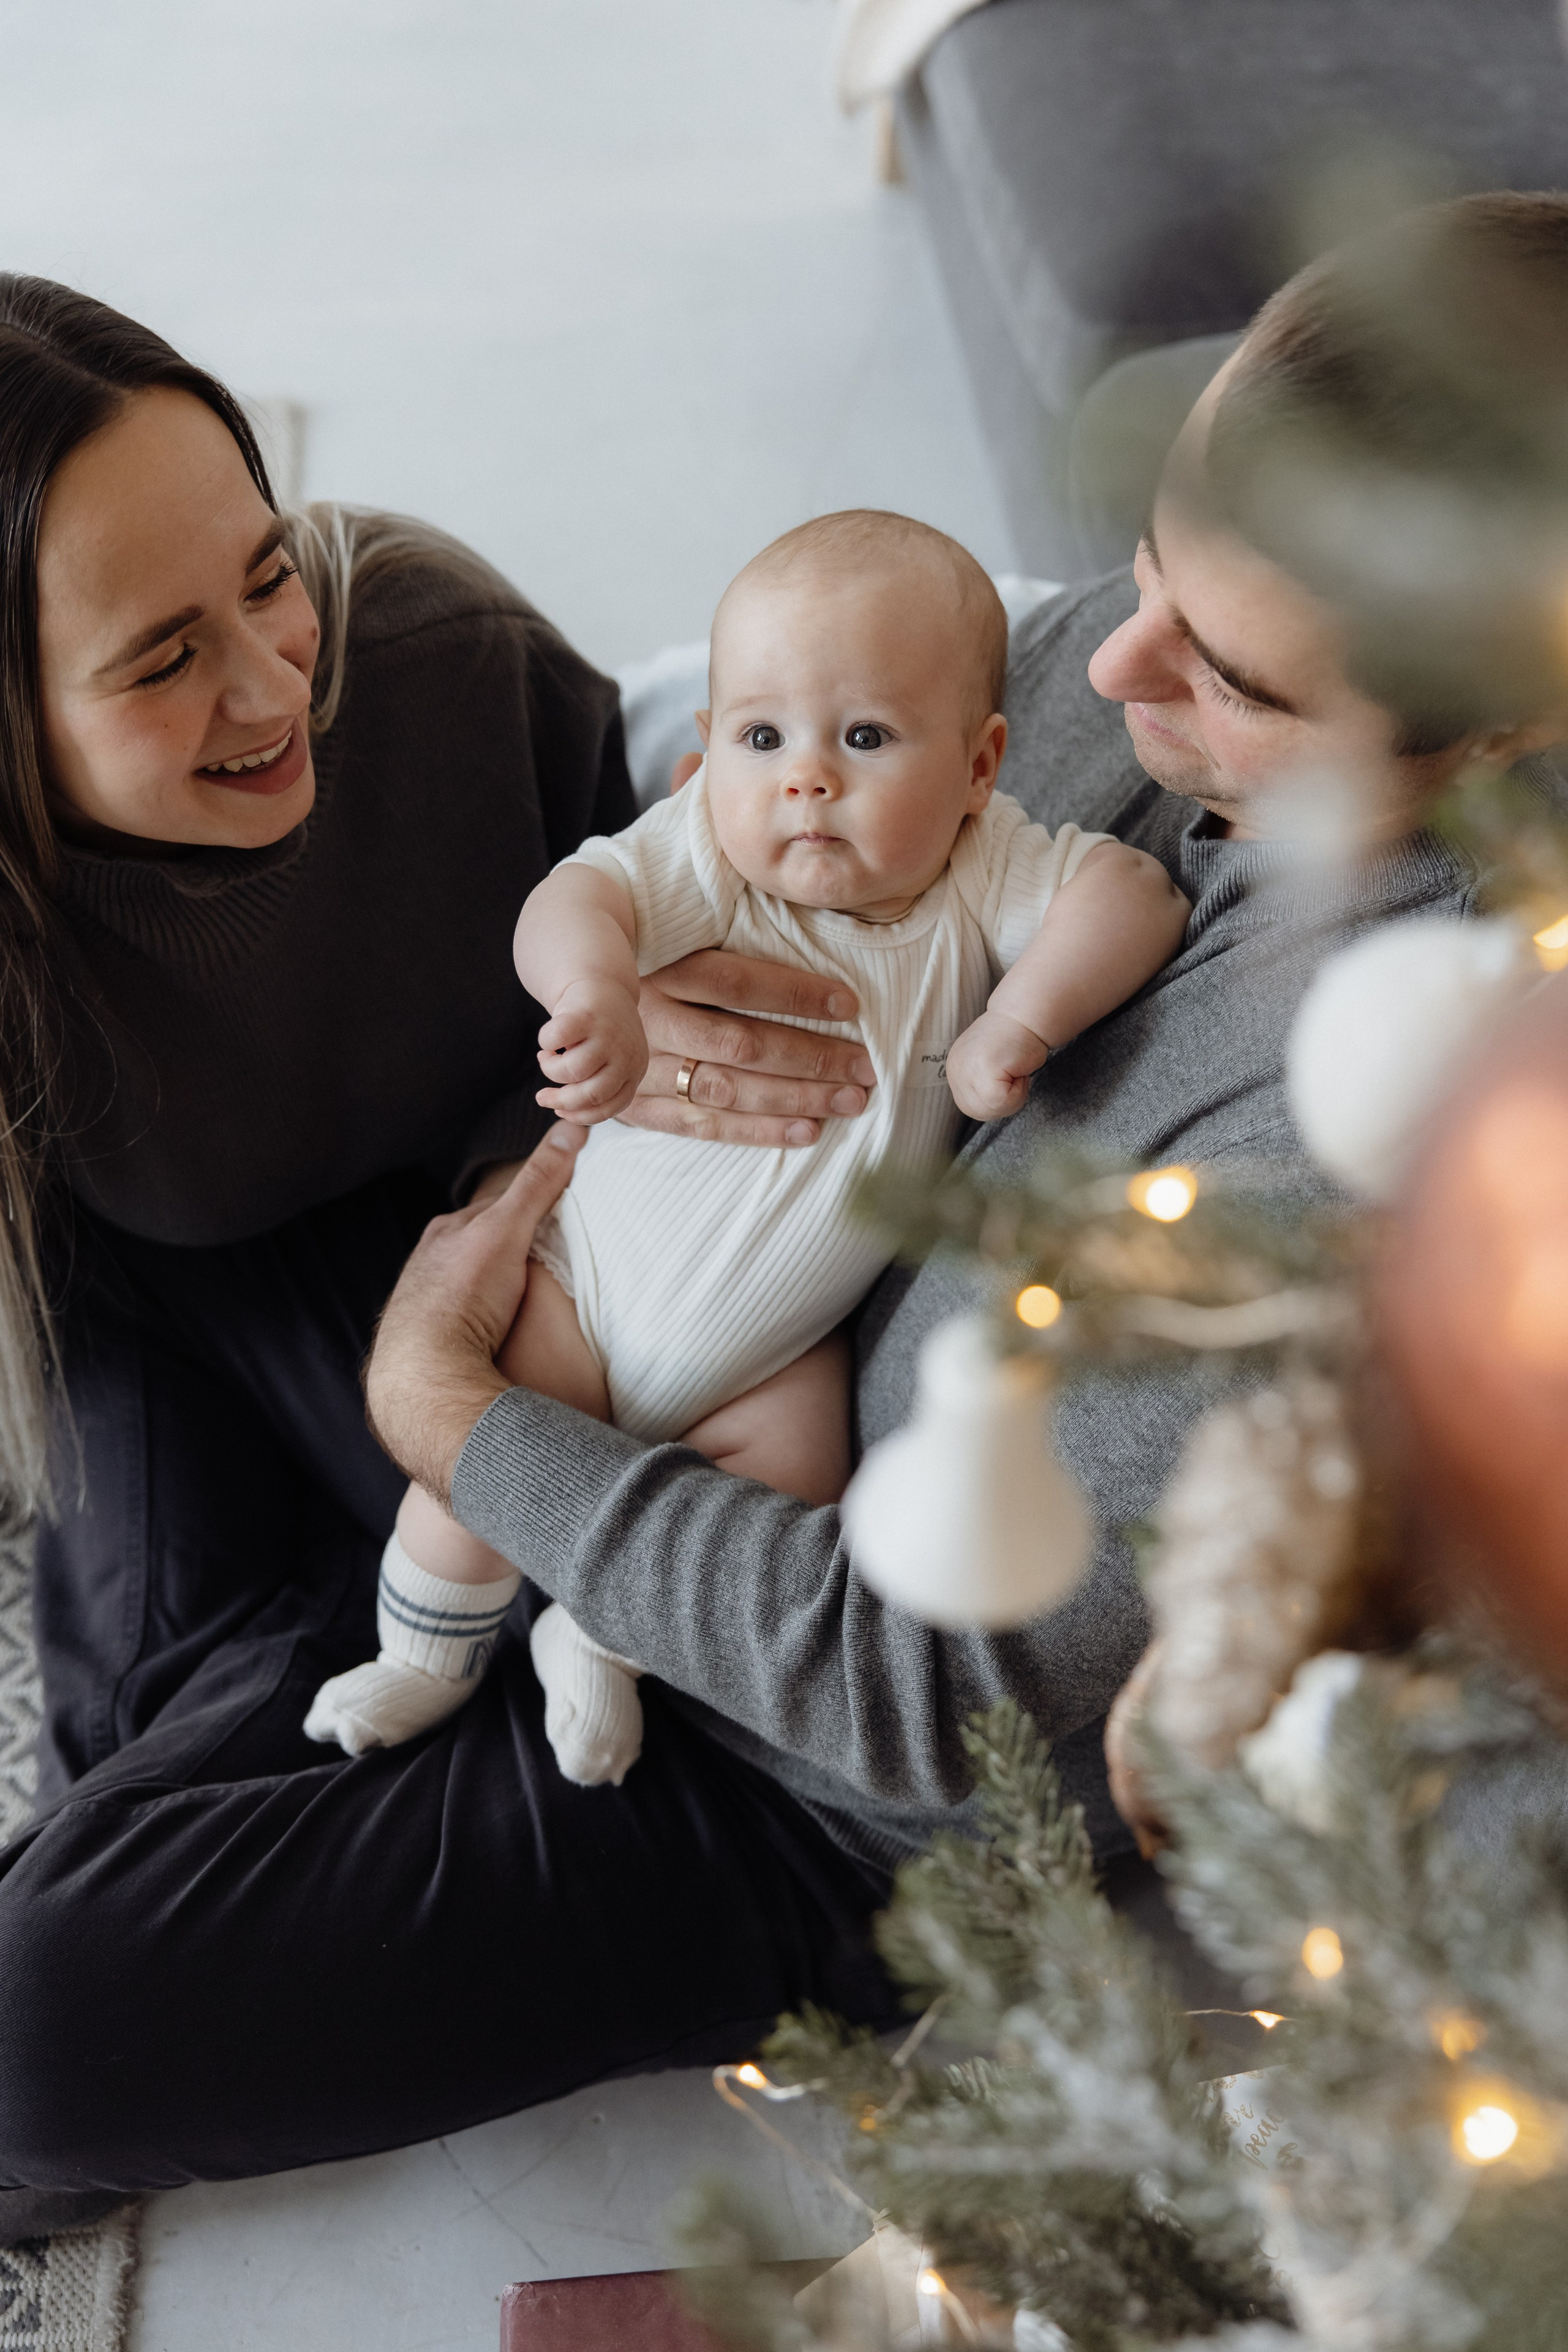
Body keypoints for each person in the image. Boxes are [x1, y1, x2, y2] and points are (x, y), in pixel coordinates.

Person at [3, 194, 1567, 2231]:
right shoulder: (1186, 678)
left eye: (1227, 669)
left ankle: (307, 1669)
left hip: (784, 1756)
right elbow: (758, 787)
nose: (1109, 657)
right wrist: (626, 1026)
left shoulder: (1416, 1131)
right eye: (1152, 561)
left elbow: (921, 1703)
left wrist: (458, 1412)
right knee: (131, 1148)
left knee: (36, 2037)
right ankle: (292, 1683)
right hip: (633, 1308)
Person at [304, 512, 1187, 1781]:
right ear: (708, 750)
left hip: (776, 1349)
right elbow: (575, 897)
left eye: (865, 738)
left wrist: (1021, 1014)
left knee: (791, 1496)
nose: (804, 780)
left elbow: (1134, 896)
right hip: (586, 1286)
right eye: (759, 735)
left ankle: (604, 1642)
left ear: (979, 764)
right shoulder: (711, 860)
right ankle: (422, 1660)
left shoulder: (978, 872)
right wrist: (593, 992)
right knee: (471, 1474)